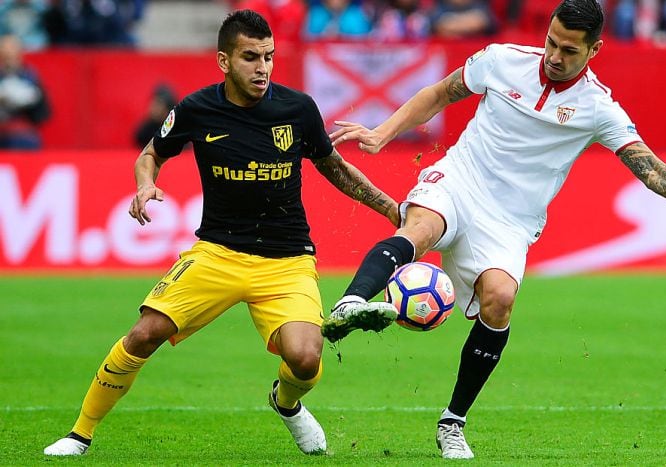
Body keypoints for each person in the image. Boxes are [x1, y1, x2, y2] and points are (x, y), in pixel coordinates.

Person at [319, 0, 666, 459]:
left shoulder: (598, 107)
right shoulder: (501, 60)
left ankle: (453, 422)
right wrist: (383, 132)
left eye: (569, 50)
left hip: (511, 219)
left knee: (500, 300)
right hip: (462, 178)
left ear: (594, 50)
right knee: (421, 226)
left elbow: (650, 170)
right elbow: (441, 93)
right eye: (551, 42)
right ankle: (352, 302)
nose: (554, 56)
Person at [43, 9, 399, 457]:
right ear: (224, 61)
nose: (263, 68)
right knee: (144, 334)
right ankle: (80, 433)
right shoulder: (196, 109)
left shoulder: (297, 109)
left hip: (286, 260)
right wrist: (146, 183)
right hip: (217, 253)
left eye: (268, 57)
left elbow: (336, 169)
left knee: (306, 359)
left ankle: (286, 403)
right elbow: (150, 154)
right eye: (251, 57)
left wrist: (390, 207)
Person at [0, 33, 50, 149]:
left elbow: (44, 113)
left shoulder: (31, 77)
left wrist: (30, 99)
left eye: (12, 48)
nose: (9, 53)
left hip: (25, 138)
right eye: (5, 48)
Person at [133, 83, 176, 149]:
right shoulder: (147, 128)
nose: (153, 107)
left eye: (159, 104)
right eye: (154, 103)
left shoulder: (177, 130)